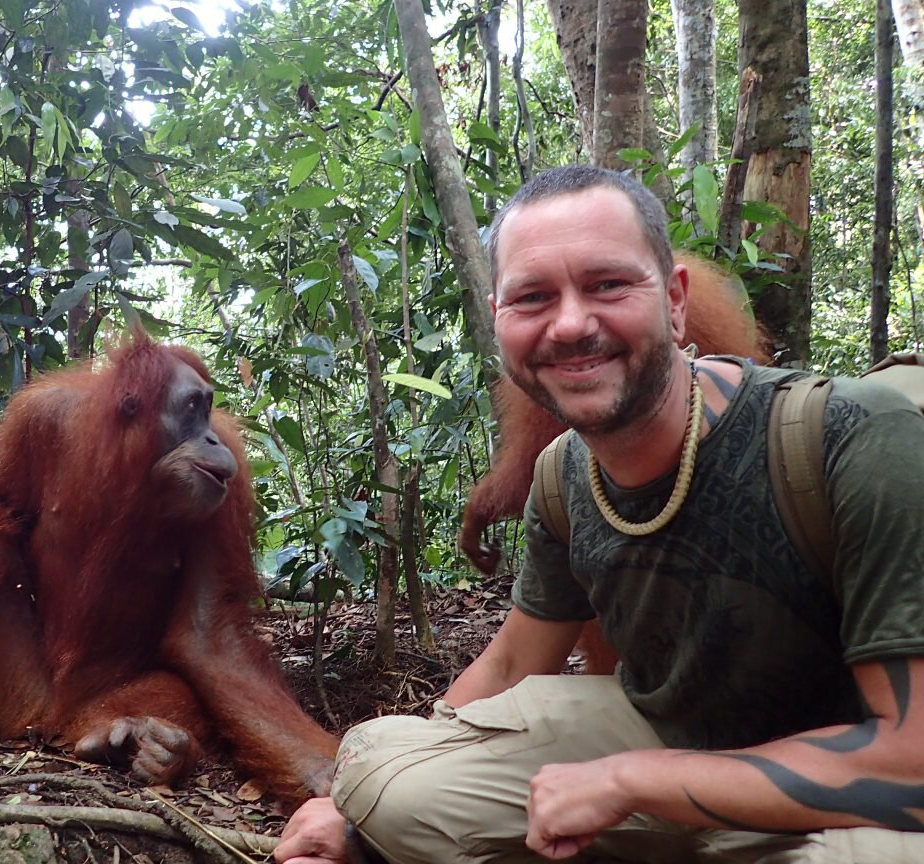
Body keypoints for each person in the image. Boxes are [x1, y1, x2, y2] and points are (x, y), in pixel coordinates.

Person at [274, 165, 924, 864]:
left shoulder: (853, 438)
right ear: (500, 319)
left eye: (608, 285)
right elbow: (515, 662)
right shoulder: (565, 475)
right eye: (533, 297)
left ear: (676, 302)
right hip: (676, 728)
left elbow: (914, 764)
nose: (572, 324)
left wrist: (635, 782)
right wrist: (354, 814)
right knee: (379, 765)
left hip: (848, 774)